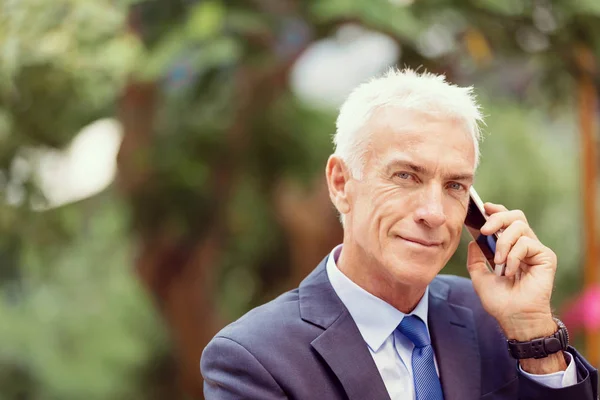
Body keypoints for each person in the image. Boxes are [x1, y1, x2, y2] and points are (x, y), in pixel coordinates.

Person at [201, 69, 598, 399]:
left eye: (455, 186)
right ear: (341, 183)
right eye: (406, 176)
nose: (434, 213)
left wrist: (533, 334)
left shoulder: (497, 320)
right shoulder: (254, 359)